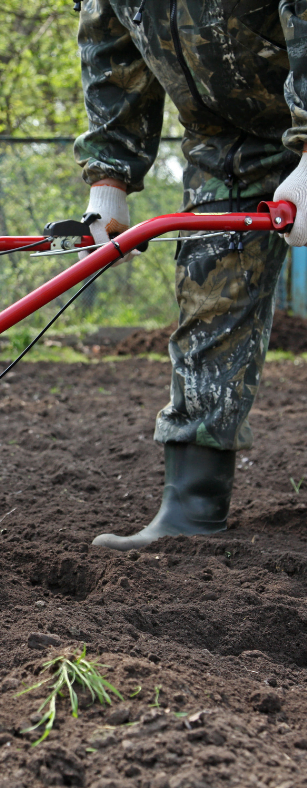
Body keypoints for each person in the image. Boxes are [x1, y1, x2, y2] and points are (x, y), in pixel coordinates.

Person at [73, 0, 307, 550]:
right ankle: (192, 511)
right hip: (225, 142)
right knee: (210, 293)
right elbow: (109, 46)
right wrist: (109, 179)